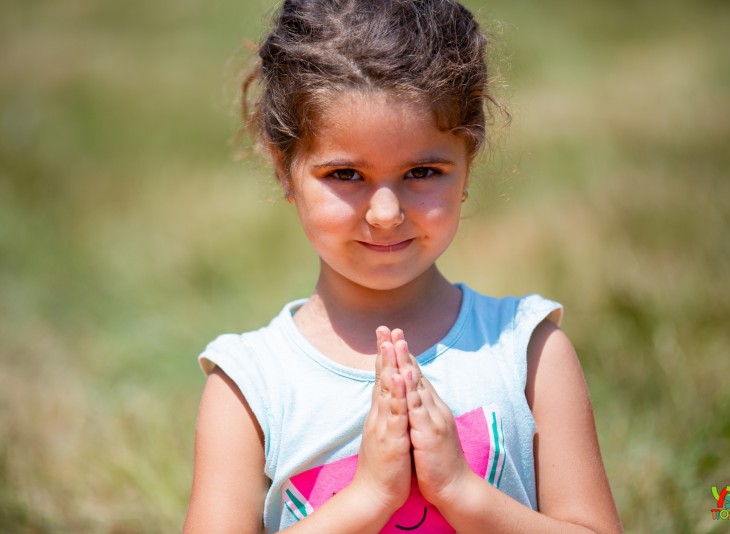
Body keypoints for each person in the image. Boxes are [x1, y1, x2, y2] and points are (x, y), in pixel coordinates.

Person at [183, 1, 622, 532]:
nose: (386, 213)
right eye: (345, 173)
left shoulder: (527, 353)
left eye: (422, 170)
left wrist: (462, 492)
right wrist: (367, 498)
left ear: (467, 163)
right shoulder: (251, 387)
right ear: (284, 171)